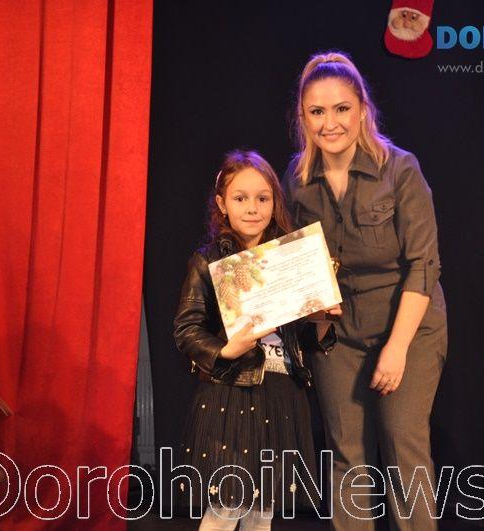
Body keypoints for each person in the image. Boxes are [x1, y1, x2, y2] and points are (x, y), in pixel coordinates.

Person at [285, 51, 447, 531]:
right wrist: (313, 315)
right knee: (346, 453)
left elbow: (424, 265)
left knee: (401, 443)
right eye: (317, 111)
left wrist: (396, 348)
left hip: (408, 327)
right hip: (339, 334)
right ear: (303, 117)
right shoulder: (297, 180)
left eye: (341, 108)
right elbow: (295, 263)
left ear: (362, 110)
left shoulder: (400, 169)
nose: (330, 123)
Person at [173, 150, 338, 530]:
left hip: (282, 392)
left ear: (275, 202)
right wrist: (225, 350)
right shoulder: (208, 260)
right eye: (240, 198)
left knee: (262, 511)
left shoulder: (291, 258)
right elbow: (186, 328)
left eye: (263, 198)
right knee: (226, 507)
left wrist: (322, 321)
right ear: (222, 204)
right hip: (232, 391)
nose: (252, 208)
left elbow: (303, 339)